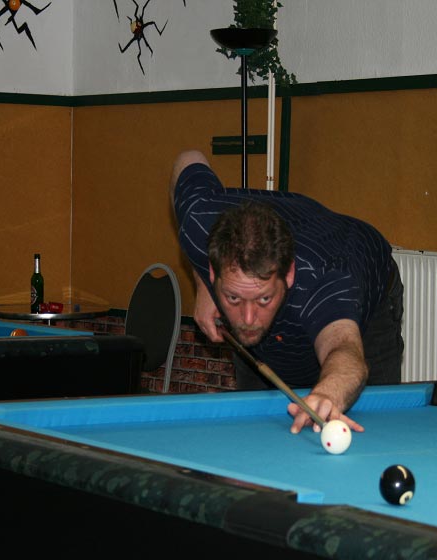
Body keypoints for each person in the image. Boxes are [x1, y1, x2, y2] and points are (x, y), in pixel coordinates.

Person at [170, 150, 404, 435]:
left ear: (289, 274)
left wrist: (327, 394)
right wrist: (203, 285)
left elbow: (345, 351)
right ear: (214, 271)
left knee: (373, 419)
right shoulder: (198, 222)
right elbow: (188, 159)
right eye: (233, 298)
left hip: (367, 295)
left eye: (263, 299)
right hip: (275, 279)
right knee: (257, 426)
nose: (247, 318)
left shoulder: (324, 282)